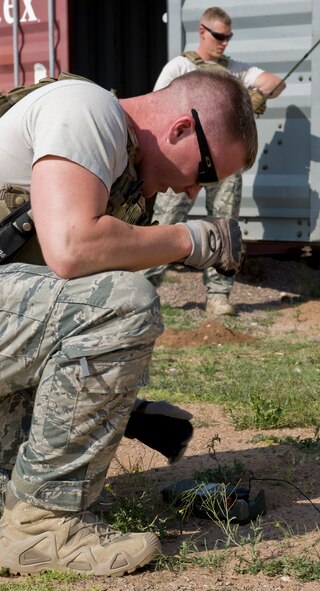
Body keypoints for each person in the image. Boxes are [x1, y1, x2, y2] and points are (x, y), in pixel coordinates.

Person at [0, 68, 257, 577]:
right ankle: (41, 530)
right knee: (123, 302)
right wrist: (189, 240)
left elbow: (44, 312)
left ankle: (23, 514)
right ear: (181, 128)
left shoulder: (120, 175)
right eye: (203, 172)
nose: (190, 188)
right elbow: (72, 249)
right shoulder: (87, 109)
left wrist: (125, 409)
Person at [145, 6, 286, 316]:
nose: (224, 42)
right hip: (185, 162)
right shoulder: (180, 67)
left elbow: (277, 83)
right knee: (165, 223)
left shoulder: (235, 69)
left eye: (228, 37)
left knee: (224, 227)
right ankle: (142, 290)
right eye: (219, 36)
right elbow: (156, 107)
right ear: (202, 32)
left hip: (224, 164)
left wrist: (253, 95)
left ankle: (219, 296)